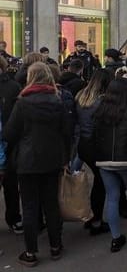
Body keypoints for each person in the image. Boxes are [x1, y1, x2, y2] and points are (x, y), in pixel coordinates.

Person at [5, 62, 71, 267]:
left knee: (30, 206)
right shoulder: (58, 101)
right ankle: (55, 245)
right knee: (51, 204)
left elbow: (9, 133)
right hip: (52, 160)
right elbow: (67, 133)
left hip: (27, 160)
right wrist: (65, 158)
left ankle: (31, 251)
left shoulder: (22, 103)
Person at [93, 78, 127, 252]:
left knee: (112, 197)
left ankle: (116, 238)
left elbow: (93, 132)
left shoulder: (100, 109)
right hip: (126, 160)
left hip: (104, 160)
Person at [75, 69, 113, 234]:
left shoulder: (82, 96)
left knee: (98, 181)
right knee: (101, 182)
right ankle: (95, 219)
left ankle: (92, 217)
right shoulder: (102, 101)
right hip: (96, 146)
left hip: (83, 144)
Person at [0, 56, 23, 235]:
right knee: (10, 185)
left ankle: (14, 218)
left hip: (8, 142)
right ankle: (14, 219)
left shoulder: (12, 87)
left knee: (10, 184)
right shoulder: (13, 86)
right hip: (10, 142)